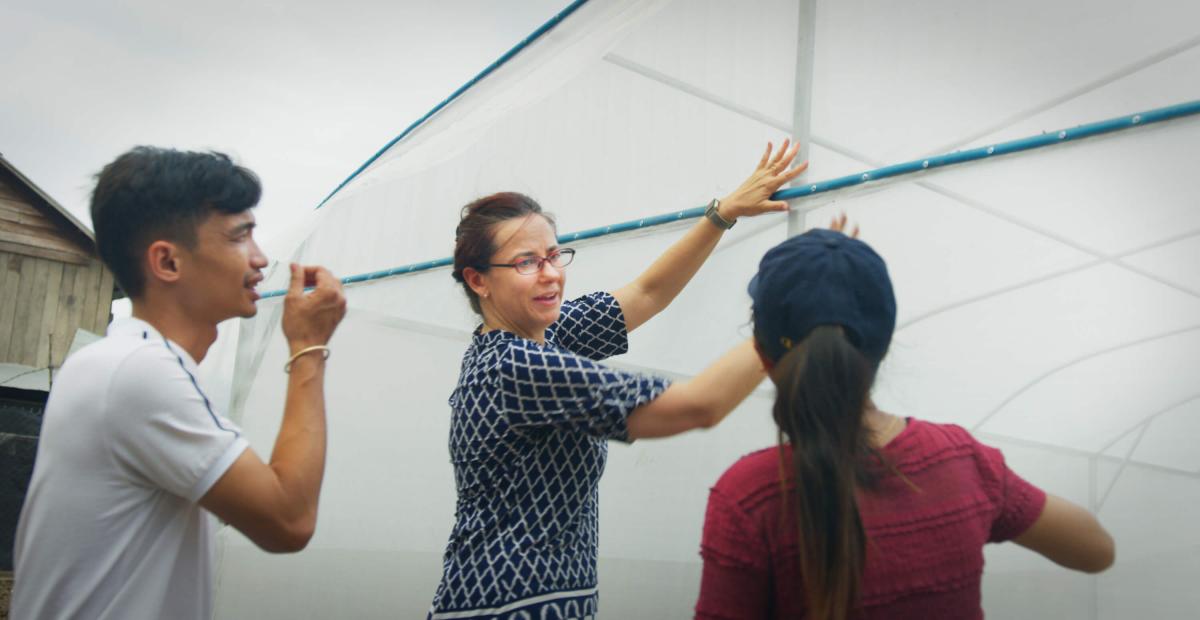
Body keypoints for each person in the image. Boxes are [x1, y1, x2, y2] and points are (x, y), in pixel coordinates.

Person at [428, 142, 818, 619]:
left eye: (554, 255)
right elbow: (698, 405)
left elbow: (647, 294)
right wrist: (792, 317)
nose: (550, 275)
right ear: (479, 280)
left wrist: (722, 214)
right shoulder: (513, 367)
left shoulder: (550, 335)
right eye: (527, 262)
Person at [694, 227, 1116, 619]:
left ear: (763, 357)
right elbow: (1096, 550)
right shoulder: (961, 459)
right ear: (883, 345)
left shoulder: (748, 498)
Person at [10, 147, 347, 620]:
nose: (260, 258)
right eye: (239, 237)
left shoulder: (133, 363)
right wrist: (308, 347)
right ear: (167, 263)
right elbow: (288, 520)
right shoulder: (137, 373)